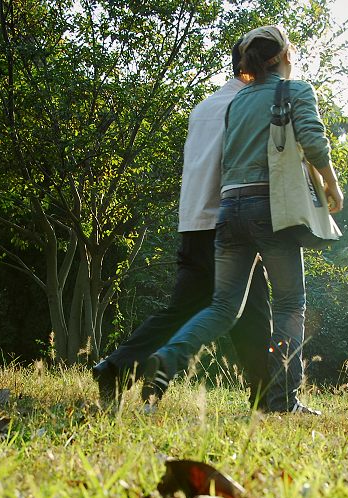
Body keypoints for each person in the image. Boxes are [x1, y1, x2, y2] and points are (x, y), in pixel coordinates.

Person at [140, 24, 343, 414]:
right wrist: (333, 186)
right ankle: (282, 401)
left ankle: (167, 358)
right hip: (271, 208)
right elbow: (314, 142)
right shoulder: (296, 91)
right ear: (285, 56)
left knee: (221, 308)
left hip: (229, 210)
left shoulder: (238, 101)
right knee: (290, 305)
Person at [92, 43, 275, 411]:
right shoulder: (249, 107)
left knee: (184, 310)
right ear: (263, 66)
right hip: (226, 221)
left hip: (192, 221)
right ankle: (267, 399)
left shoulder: (205, 106)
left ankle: (114, 367)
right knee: (253, 312)